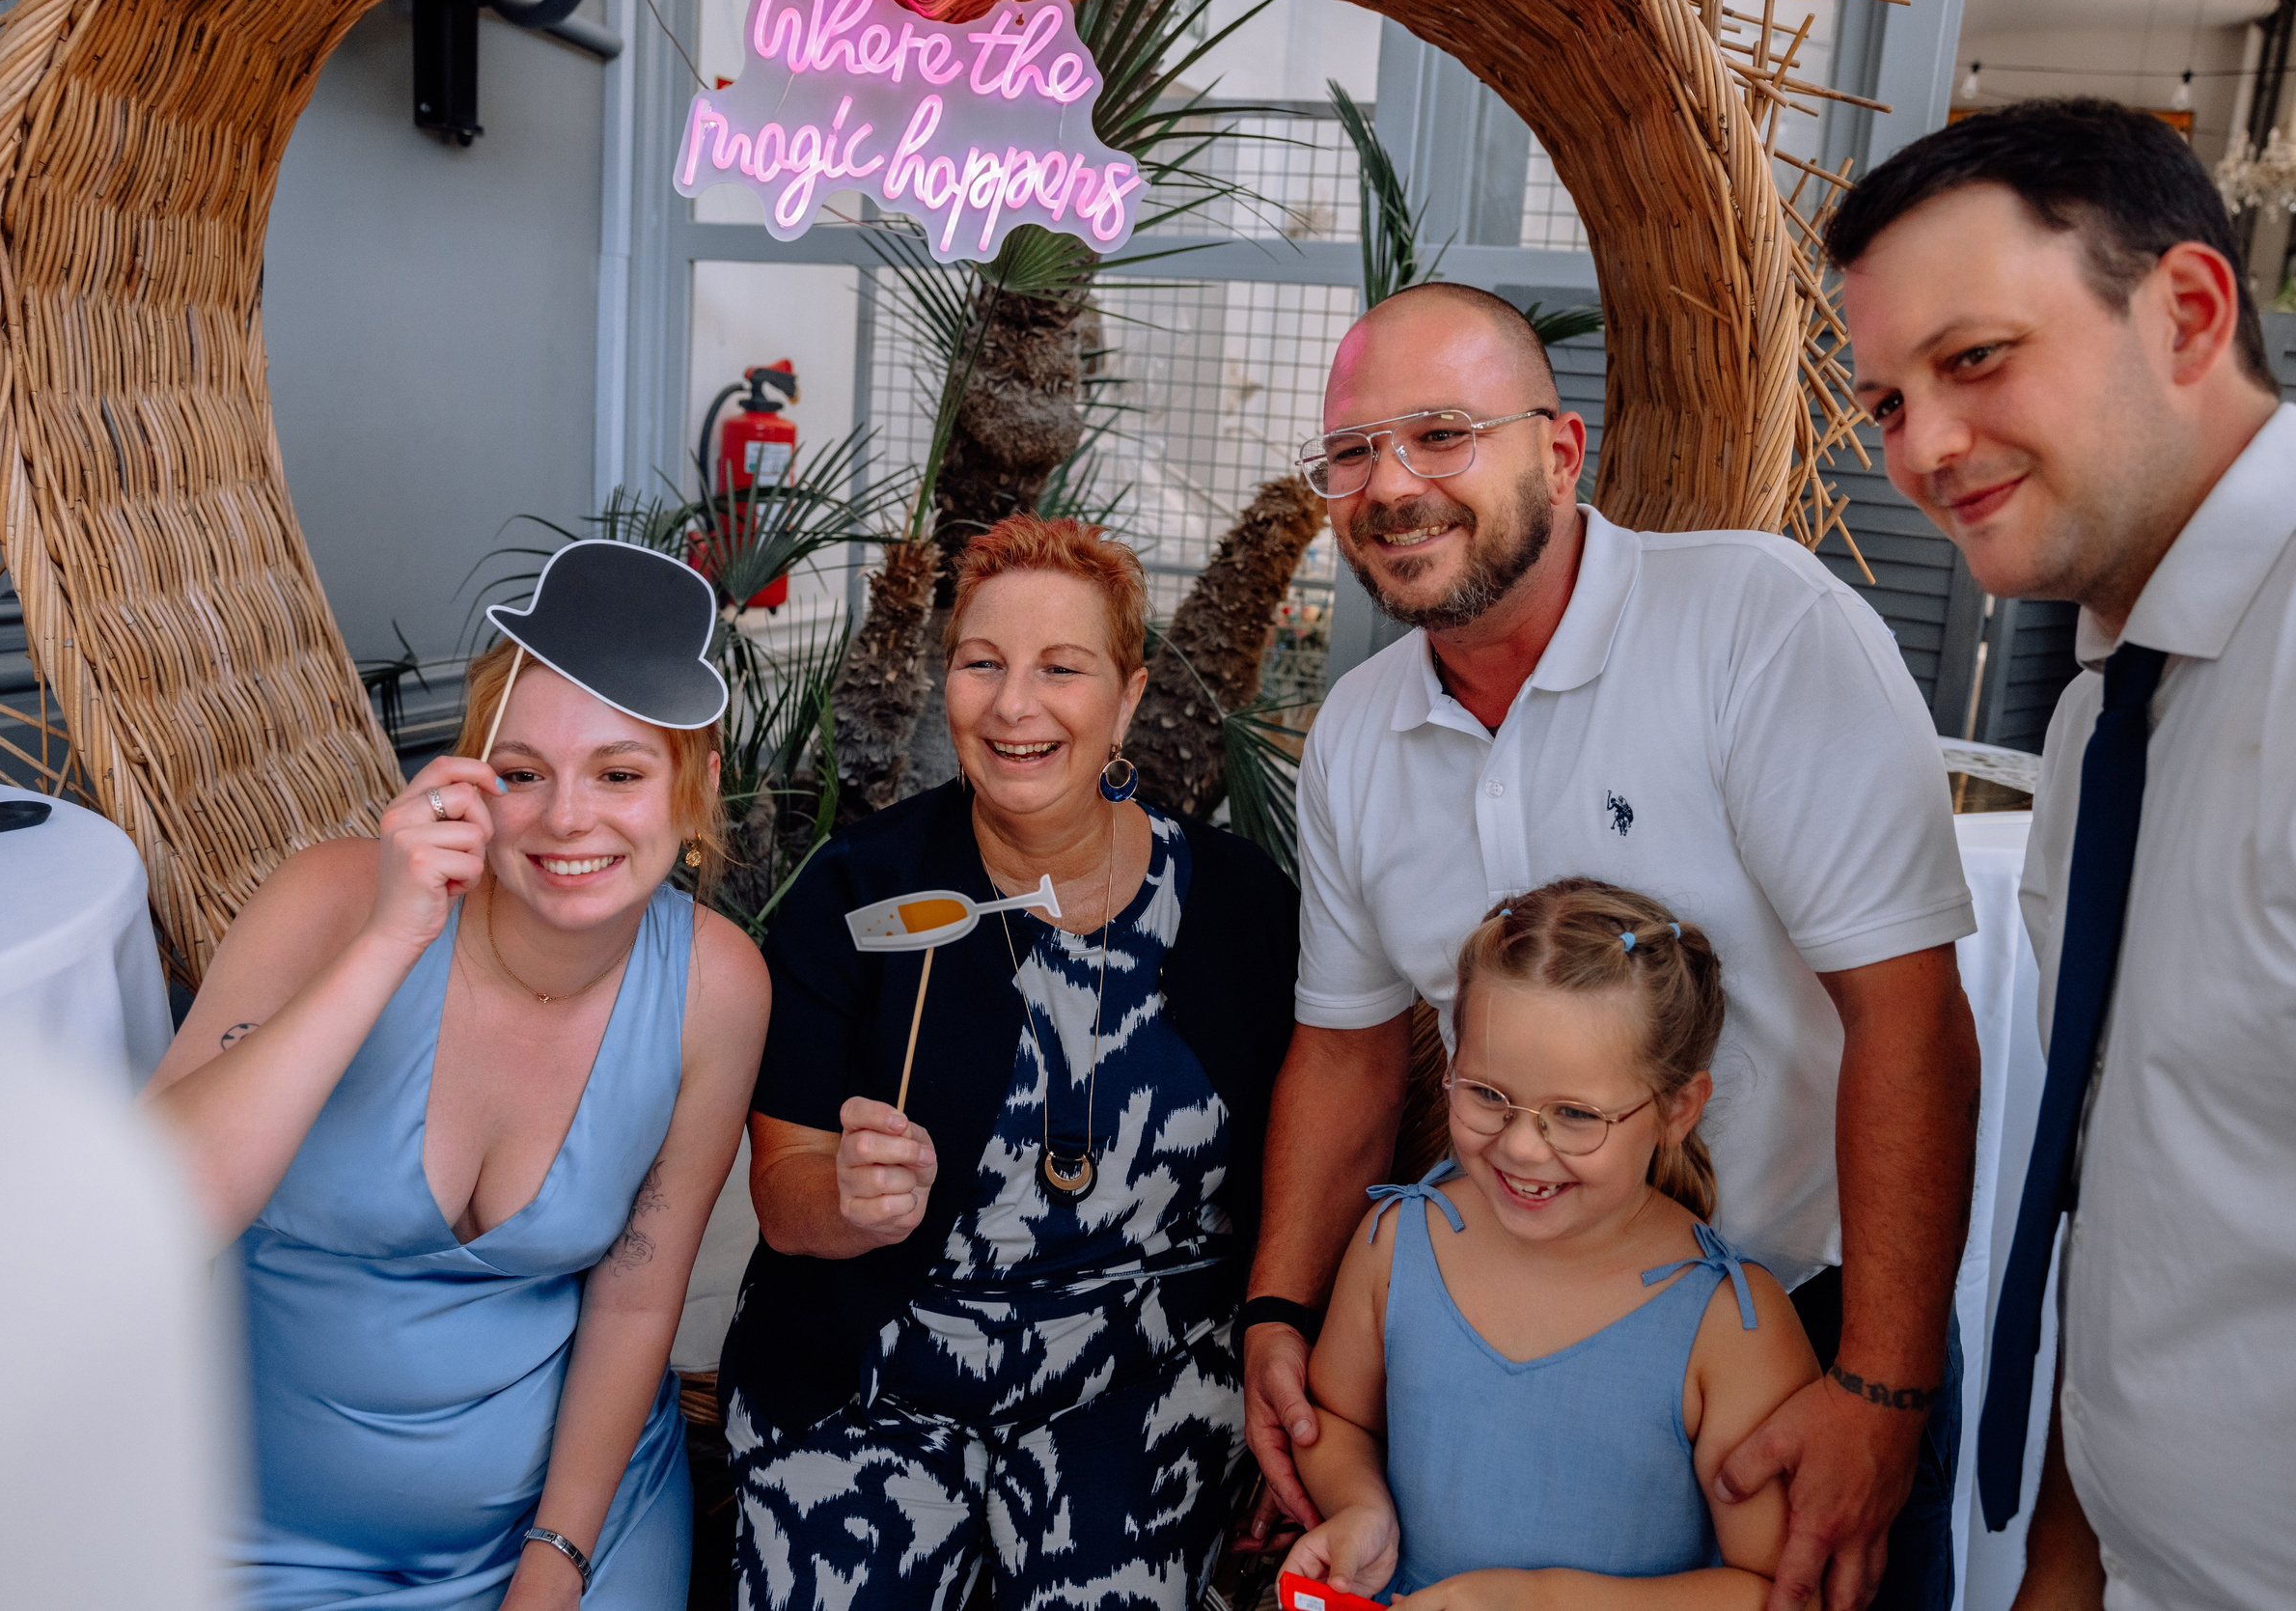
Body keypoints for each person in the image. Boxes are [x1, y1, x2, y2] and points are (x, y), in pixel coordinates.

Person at [1248, 281, 1982, 1611]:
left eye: (1440, 434)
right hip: (1497, 1333)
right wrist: (1281, 1312)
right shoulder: (1355, 731)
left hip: (1807, 1336)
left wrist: (1882, 1387)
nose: (1392, 485)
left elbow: (1909, 1016)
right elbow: (1345, 1054)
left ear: (1560, 449)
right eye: (1351, 452)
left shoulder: (1753, 625)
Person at [1831, 97, 2296, 1611]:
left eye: (1976, 358)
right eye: (1885, 403)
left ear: (2188, 312)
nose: (1924, 450)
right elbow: (2134, 1191)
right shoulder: (2103, 721)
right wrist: (2063, 1567)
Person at [148, 549, 770, 1610]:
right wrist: (388, 941)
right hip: (253, 1533)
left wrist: (557, 1561)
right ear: (470, 782)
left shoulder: (716, 986)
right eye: (522, 773)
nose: (567, 817)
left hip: (574, 1522)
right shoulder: (330, 900)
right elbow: (156, 1210)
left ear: (695, 790)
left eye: (620, 774)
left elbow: (634, 1298)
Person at [720, 514, 1300, 1610]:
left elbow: (1299, 1167)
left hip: (1141, 1368)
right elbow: (786, 1195)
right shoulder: (863, 889)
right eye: (980, 663)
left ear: (1126, 697)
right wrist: (846, 1200)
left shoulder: (1237, 904)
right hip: (882, 1362)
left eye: (1061, 669)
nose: (1013, 705)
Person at [1283, 879, 1819, 1608]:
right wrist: (1359, 1506)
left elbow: (1776, 1592)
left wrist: (1542, 1600)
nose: (1522, 1147)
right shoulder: (1399, 1239)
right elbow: (1339, 1418)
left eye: (1575, 1114)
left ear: (1677, 1109)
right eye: (1487, 1095)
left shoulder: (1734, 1327)